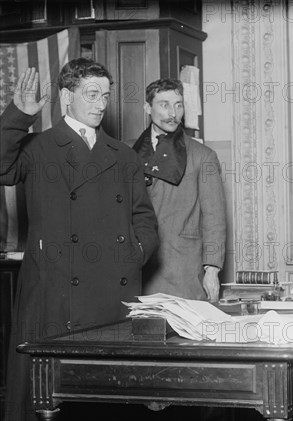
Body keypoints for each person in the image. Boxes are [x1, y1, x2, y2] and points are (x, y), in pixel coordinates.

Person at [1, 61, 159, 421]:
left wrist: (135, 253)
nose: (101, 103)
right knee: (51, 400)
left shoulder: (123, 155)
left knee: (108, 402)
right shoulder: (38, 148)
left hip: (112, 300)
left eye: (105, 95)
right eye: (92, 94)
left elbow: (144, 219)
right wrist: (18, 116)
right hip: (55, 296)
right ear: (66, 96)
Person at [131, 78, 226, 302]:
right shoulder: (126, 152)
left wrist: (212, 269)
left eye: (179, 105)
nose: (173, 112)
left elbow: (214, 217)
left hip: (183, 269)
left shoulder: (202, 156)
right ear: (147, 108)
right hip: (138, 266)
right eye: (164, 104)